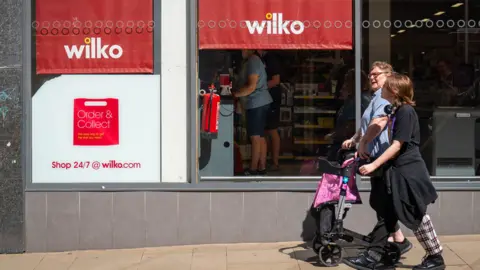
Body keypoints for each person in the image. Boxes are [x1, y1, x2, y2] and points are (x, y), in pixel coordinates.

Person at [345, 74, 445, 270]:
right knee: (385, 209)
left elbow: (397, 145)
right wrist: (362, 140)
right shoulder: (395, 110)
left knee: (415, 212)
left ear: (395, 91)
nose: (381, 87)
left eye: (386, 86)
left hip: (408, 171)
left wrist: (374, 166)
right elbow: (379, 124)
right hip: (397, 169)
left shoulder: (406, 112)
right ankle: (375, 255)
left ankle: (435, 256)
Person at [341, 62, 412, 254]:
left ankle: (380, 247)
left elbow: (378, 122)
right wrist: (355, 139)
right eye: (370, 74)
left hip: (381, 157)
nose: (372, 77)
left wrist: (363, 142)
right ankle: (397, 237)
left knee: (381, 201)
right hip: (373, 156)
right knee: (378, 200)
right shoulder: (376, 97)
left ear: (388, 76)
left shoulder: (384, 98)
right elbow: (366, 123)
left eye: (376, 75)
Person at [233, 49, 273, 175]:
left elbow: (251, 86)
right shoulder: (254, 60)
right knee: (260, 137)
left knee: (255, 137)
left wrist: (236, 94)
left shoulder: (253, 61)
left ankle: (253, 168)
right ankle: (262, 167)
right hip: (262, 102)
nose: (241, 50)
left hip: (256, 102)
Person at [325, 69, 371, 161]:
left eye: (347, 81)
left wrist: (334, 135)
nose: (345, 85)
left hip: (349, 144)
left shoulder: (360, 100)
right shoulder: (352, 99)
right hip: (345, 142)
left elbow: (352, 126)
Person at [257, 50, 282, 171]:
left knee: (272, 129)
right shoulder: (264, 58)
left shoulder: (271, 59)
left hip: (272, 98)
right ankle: (265, 160)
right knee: (266, 130)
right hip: (267, 97)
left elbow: (276, 80)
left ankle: (275, 162)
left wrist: (259, 87)